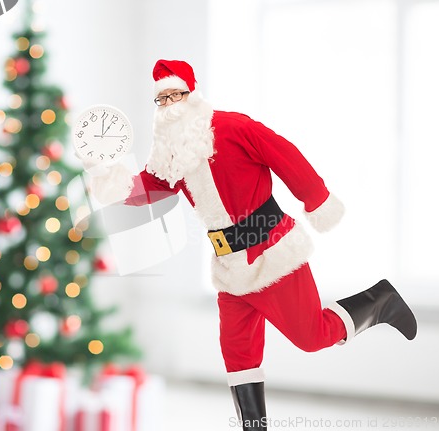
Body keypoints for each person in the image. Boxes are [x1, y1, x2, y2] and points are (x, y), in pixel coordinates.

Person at [79, 59, 417, 431]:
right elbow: (150, 187)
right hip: (229, 268)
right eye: (161, 100)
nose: (169, 104)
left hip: (273, 254)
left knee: (312, 336)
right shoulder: (172, 155)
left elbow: (285, 156)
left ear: (192, 94)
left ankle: (380, 301)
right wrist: (104, 173)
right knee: (237, 356)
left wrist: (317, 201)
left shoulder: (232, 126)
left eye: (175, 94)